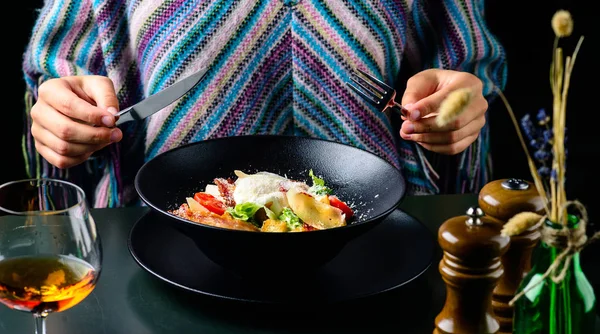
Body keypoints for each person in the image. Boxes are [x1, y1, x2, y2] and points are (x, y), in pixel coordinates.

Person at [22, 0, 506, 208]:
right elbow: (63, 69)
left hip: (379, 235)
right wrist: (65, 112)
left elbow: (470, 66)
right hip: (163, 232)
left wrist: (460, 107)